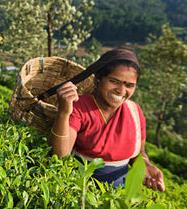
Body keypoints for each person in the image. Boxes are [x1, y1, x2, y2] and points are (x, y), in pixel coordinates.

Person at [50, 49, 165, 191]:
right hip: (80, 191)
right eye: (114, 81)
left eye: (129, 85)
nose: (121, 90)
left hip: (117, 194)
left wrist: (145, 165)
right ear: (99, 77)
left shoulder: (134, 112)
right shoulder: (80, 107)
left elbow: (138, 153)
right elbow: (60, 156)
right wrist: (64, 112)